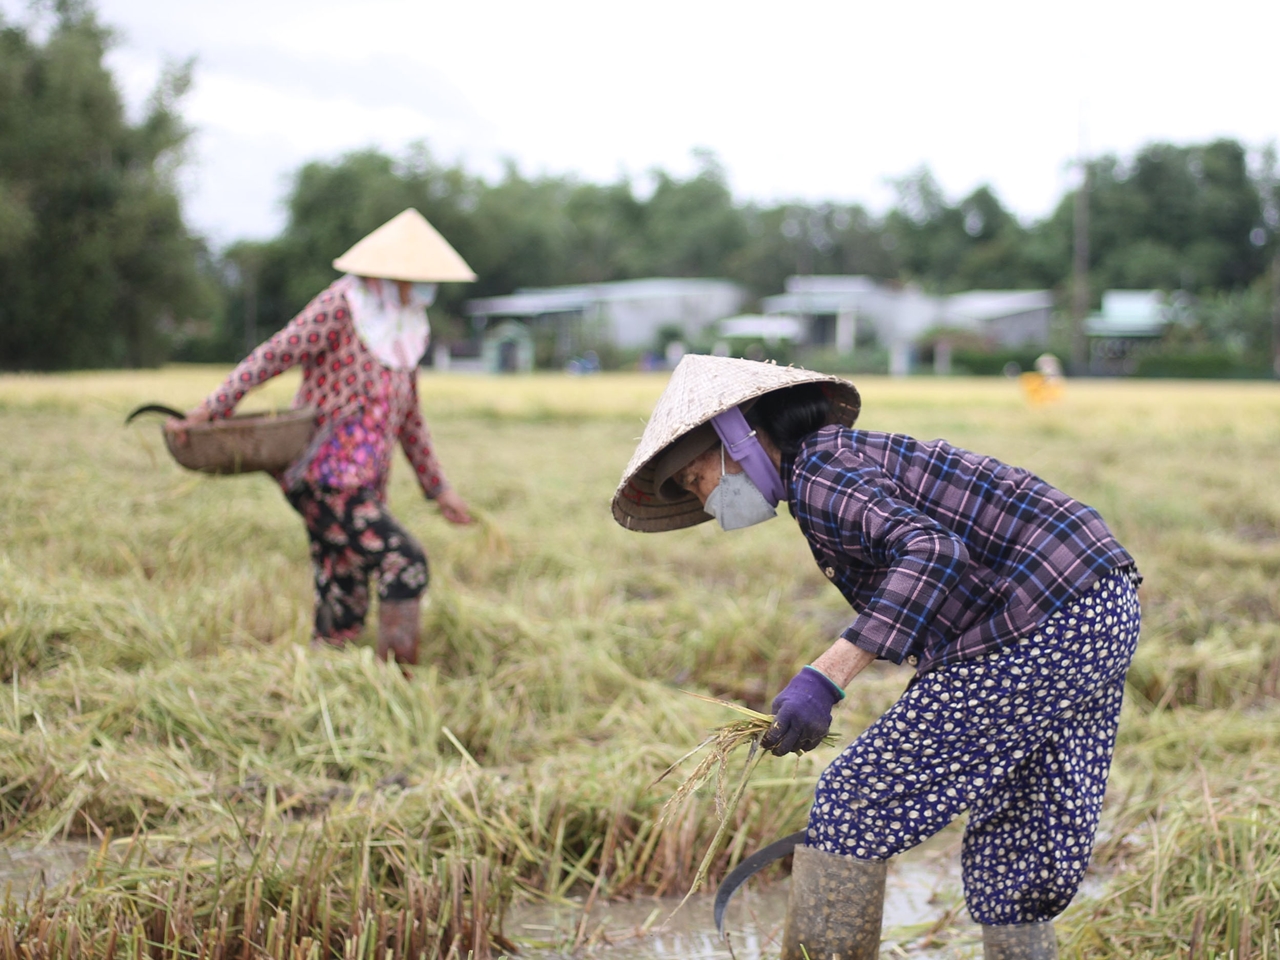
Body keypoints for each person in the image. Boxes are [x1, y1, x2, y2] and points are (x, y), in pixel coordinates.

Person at [612, 355, 1141, 960]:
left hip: (1045, 618)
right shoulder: (835, 461)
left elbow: (933, 553)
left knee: (854, 801)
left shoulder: (822, 473)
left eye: (696, 479)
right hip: (1100, 603)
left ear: (738, 440)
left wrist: (824, 678)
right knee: (1021, 836)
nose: (706, 499)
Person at [176, 209, 475, 667]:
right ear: (392, 274)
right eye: (418, 279)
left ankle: (326, 671)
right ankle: (398, 683)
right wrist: (214, 407)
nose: (425, 289)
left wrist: (438, 489)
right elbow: (275, 353)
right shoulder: (342, 305)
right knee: (404, 561)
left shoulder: (406, 327)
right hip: (322, 475)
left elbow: (409, 418)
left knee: (344, 580)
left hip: (366, 481)